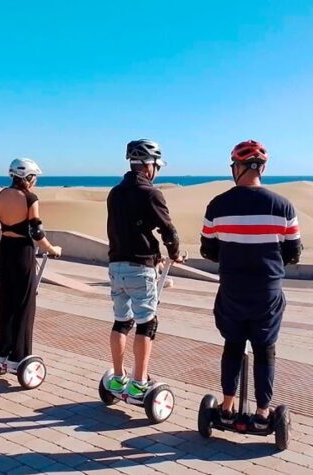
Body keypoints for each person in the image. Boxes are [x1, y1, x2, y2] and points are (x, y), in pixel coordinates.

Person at [200, 140, 302, 429]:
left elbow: (208, 250)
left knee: (232, 346)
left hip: (232, 289)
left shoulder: (218, 204)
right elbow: (293, 253)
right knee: (264, 349)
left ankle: (228, 408)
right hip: (267, 291)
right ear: (263, 167)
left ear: (237, 167)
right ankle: (262, 414)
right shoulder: (283, 206)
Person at [106, 139, 183, 401]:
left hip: (115, 266)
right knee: (147, 324)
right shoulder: (151, 193)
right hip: (140, 267)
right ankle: (139, 384)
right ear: (149, 166)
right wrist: (175, 254)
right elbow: (168, 230)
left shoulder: (115, 192)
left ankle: (117, 379)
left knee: (121, 321)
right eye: (157, 165)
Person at [0, 158, 62, 370]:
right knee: (25, 303)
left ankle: (3, 349)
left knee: (6, 302)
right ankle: (20, 354)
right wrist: (52, 249)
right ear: (28, 178)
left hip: (4, 250)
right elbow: (37, 231)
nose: (35, 182)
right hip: (23, 252)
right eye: (34, 178)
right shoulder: (30, 198)